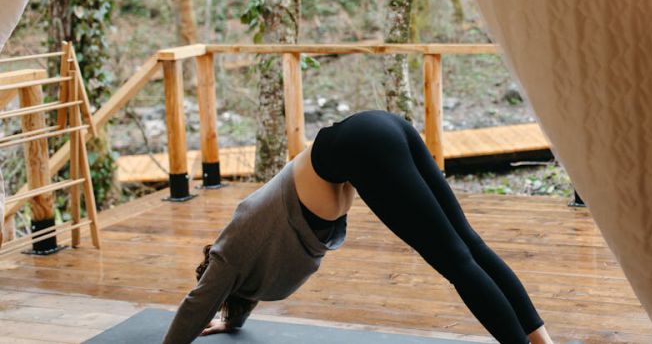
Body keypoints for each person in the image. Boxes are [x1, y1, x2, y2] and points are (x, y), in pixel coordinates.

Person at [163, 110, 553, 344]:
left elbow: (200, 299)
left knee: (457, 261)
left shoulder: (229, 252)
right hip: (383, 128)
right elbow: (235, 297)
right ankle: (541, 340)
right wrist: (231, 321)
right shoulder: (251, 261)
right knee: (468, 245)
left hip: (365, 145)